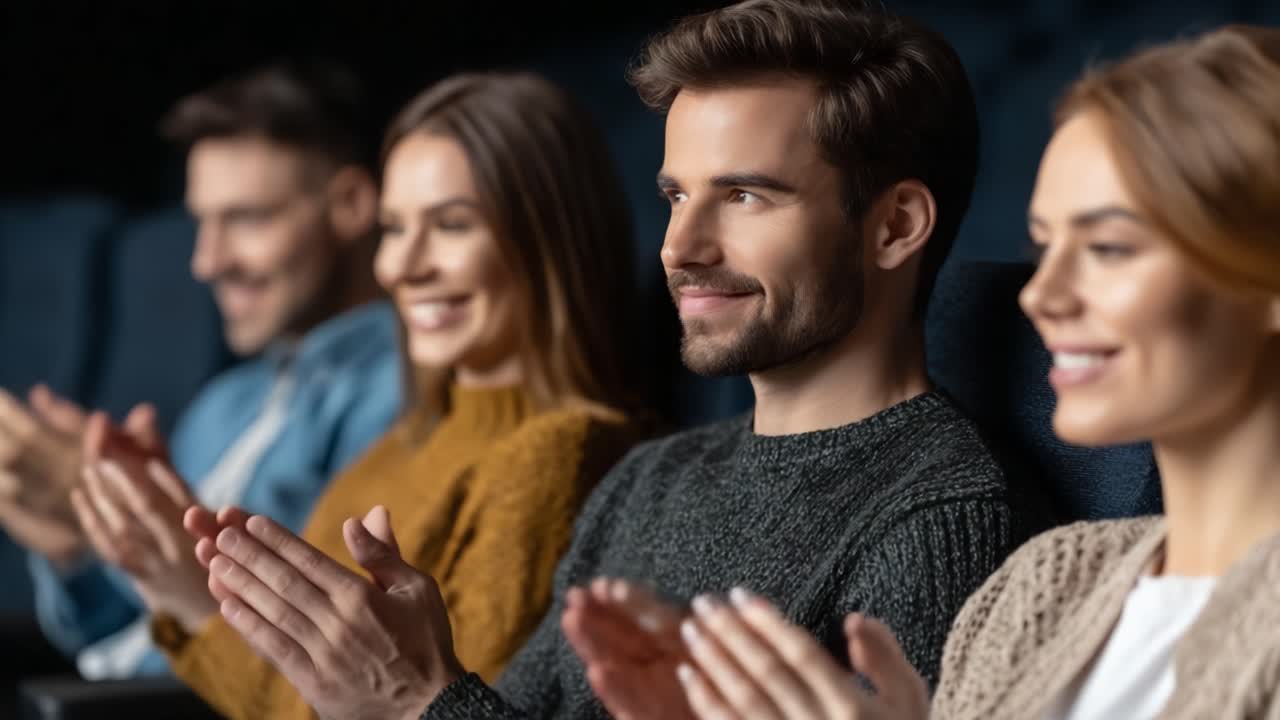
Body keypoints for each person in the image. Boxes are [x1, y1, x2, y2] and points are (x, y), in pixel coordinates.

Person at [184, 3, 1051, 719]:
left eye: (745, 195)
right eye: (677, 196)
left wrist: (421, 700)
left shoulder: (941, 513)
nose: (682, 246)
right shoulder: (650, 481)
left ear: (896, 225)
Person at [665, 23, 1280, 720]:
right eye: (1044, 246)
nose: (1040, 296)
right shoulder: (1044, 585)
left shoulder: (959, 522)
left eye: (1110, 247)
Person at [72, 71, 652, 720]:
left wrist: (193, 600)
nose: (402, 266)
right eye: (396, 229)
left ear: (549, 240)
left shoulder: (560, 450)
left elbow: (417, 709)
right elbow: (311, 693)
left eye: (452, 225)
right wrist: (176, 590)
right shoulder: (405, 439)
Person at [0, 60, 401, 679]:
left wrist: (148, 529)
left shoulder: (399, 395)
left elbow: (338, 673)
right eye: (201, 223)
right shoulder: (224, 403)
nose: (206, 262)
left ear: (350, 204)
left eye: (246, 218)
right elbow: (130, 637)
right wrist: (82, 537)